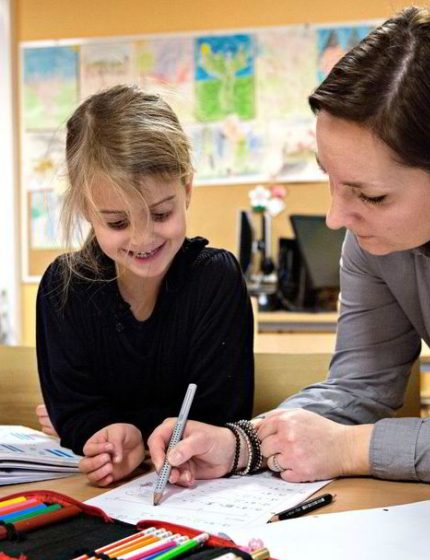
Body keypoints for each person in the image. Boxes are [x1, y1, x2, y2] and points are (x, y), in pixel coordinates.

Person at [148, 5, 430, 488]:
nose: (336, 217)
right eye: (329, 177)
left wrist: (355, 448)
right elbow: (359, 387)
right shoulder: (377, 243)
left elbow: (347, 437)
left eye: (371, 195)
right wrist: (244, 444)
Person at [36, 84, 254, 487]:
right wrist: (108, 437)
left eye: (160, 214)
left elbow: (222, 415)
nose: (141, 239)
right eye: (118, 223)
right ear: (87, 209)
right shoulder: (61, 289)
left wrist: (145, 433)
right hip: (108, 498)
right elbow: (73, 411)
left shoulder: (215, 279)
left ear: (186, 189)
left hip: (202, 494)